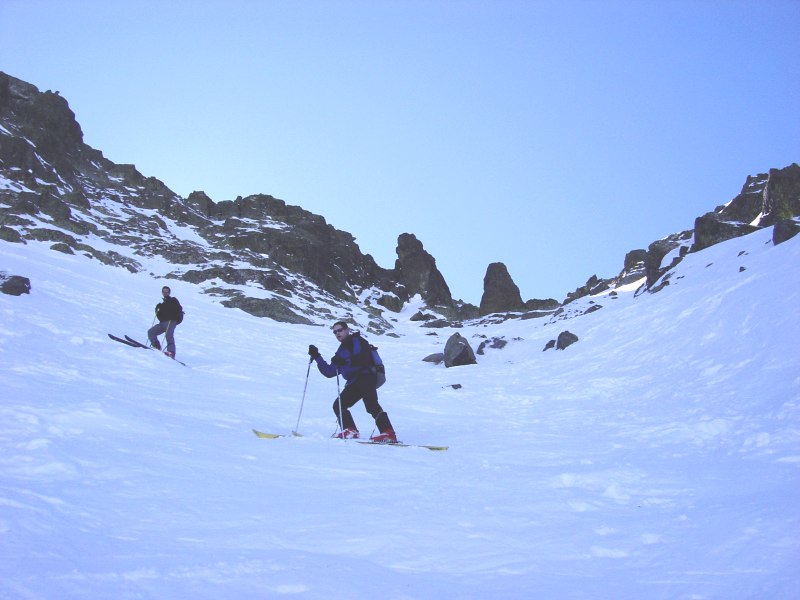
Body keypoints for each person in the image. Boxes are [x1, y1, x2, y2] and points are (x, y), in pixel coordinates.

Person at [308, 321, 396, 442]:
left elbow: (362, 359)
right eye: (335, 332)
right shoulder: (341, 350)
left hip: (367, 376)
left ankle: (388, 433)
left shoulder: (358, 341)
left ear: (347, 330)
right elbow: (329, 372)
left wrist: (344, 361)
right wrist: (317, 356)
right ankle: (350, 430)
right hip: (354, 381)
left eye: (339, 330)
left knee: (371, 404)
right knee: (339, 405)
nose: (337, 333)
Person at [147, 286, 183, 359]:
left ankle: (171, 352)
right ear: (162, 293)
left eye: (166, 291)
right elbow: (159, 316)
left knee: (168, 335)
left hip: (171, 321)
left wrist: (175, 318)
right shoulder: (162, 305)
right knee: (151, 332)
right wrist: (157, 310)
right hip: (163, 322)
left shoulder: (173, 300)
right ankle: (156, 346)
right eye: (164, 291)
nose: (165, 293)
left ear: (169, 292)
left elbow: (179, 309)